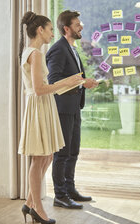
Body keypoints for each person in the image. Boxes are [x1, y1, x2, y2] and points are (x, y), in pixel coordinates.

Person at [18, 11, 83, 224]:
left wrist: (70, 81)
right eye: (49, 30)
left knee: (47, 157)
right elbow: (39, 89)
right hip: (39, 105)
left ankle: (29, 203)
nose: (51, 34)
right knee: (39, 159)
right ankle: (38, 208)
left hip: (42, 107)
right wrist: (68, 82)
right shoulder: (34, 54)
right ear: (40, 30)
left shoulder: (32, 51)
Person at [46, 10, 98, 209]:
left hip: (74, 107)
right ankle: (60, 195)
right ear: (66, 28)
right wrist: (82, 83)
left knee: (73, 151)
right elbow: (54, 80)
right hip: (62, 109)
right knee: (62, 153)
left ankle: (70, 189)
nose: (81, 27)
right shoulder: (58, 50)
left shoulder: (73, 49)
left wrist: (83, 83)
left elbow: (75, 78)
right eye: (77, 25)